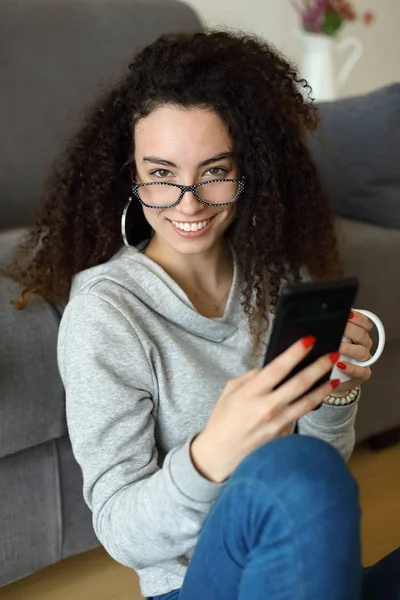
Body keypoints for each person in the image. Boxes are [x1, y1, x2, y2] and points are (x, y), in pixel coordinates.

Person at [5, 31, 400, 600]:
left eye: (214, 172)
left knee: (305, 474)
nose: (188, 204)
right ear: (131, 176)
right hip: (196, 585)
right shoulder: (107, 313)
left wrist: (334, 394)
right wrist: (214, 450)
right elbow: (121, 531)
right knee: (293, 474)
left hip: (305, 576)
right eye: (161, 174)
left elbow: (324, 475)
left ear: (248, 171)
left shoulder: (280, 280)